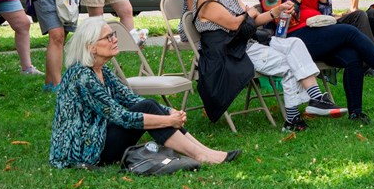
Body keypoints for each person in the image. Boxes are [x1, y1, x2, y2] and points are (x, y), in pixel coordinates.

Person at [50, 16, 240, 168]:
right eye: (108, 37)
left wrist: (168, 111)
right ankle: (200, 154)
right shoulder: (82, 77)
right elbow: (122, 117)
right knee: (147, 107)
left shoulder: (101, 70)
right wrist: (168, 120)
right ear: (91, 47)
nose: (115, 39)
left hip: (98, 138)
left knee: (147, 105)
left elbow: (130, 98)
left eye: (113, 34)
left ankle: (204, 151)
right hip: (82, 152)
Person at [193, 0, 345, 133]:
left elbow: (255, 19)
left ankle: (315, 99)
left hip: (247, 42)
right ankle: (293, 119)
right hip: (230, 52)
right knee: (289, 63)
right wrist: (249, 12)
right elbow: (234, 24)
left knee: (295, 43)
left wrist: (276, 11)